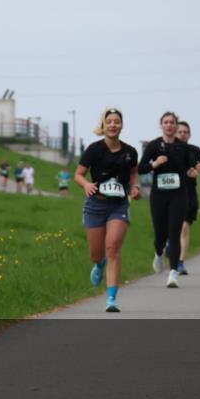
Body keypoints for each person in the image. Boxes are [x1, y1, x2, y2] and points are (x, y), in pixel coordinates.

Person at [74, 107, 141, 312]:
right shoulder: (94, 149)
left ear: (122, 125)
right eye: (109, 121)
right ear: (103, 125)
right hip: (95, 204)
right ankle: (99, 264)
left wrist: (135, 187)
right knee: (97, 254)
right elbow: (78, 174)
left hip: (118, 205)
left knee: (113, 249)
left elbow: (134, 173)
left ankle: (111, 299)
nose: (113, 124)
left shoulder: (130, 152)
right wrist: (86, 184)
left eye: (116, 121)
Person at [139, 112, 194, 288]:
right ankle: (158, 253)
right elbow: (141, 168)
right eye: (166, 122)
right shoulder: (154, 145)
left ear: (176, 126)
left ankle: (173, 273)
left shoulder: (183, 147)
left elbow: (189, 168)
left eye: (172, 122)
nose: (169, 125)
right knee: (160, 235)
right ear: (161, 125)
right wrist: (154, 164)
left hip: (179, 194)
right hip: (159, 195)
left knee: (174, 233)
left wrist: (192, 171)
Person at [175, 121, 200, 275]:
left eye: (185, 132)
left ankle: (180, 262)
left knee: (185, 227)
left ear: (190, 134)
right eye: (180, 132)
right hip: (172, 192)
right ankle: (169, 245)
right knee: (173, 227)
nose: (182, 134)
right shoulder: (169, 149)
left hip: (189, 192)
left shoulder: (195, 150)